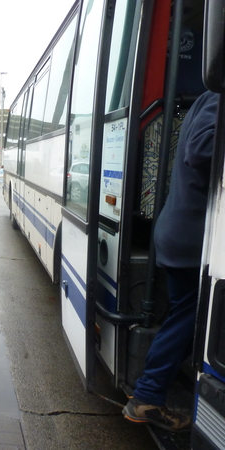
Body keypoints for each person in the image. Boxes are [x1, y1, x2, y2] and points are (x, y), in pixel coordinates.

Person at [123, 90, 220, 432]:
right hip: (190, 238)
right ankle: (147, 397)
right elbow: (202, 149)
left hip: (183, 233)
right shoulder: (218, 97)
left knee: (185, 317)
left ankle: (149, 392)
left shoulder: (208, 98)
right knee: (189, 320)